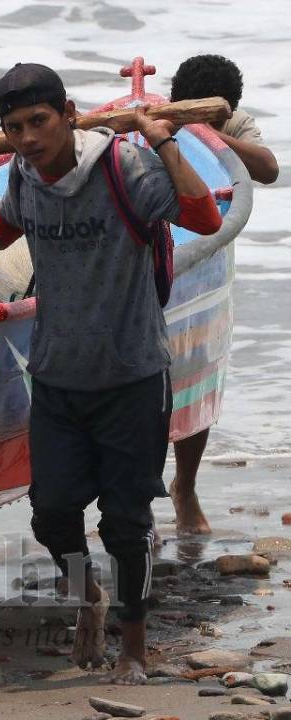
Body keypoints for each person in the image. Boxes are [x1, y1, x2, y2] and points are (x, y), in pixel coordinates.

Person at [0, 64, 222, 684]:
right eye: (13, 127)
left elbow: (204, 218)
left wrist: (160, 139)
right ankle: (89, 597)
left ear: (69, 114)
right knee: (52, 514)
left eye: (38, 122)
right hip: (56, 377)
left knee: (127, 524)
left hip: (132, 374)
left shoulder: (123, 169)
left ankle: (133, 647)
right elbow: (5, 223)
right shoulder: (25, 174)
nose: (27, 138)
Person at [166, 54, 279, 534]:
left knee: (197, 376)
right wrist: (174, 128)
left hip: (209, 263)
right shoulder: (152, 122)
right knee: (147, 385)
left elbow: (268, 168)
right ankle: (136, 498)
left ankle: (185, 487)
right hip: (160, 251)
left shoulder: (235, 122)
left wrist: (210, 133)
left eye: (219, 114)